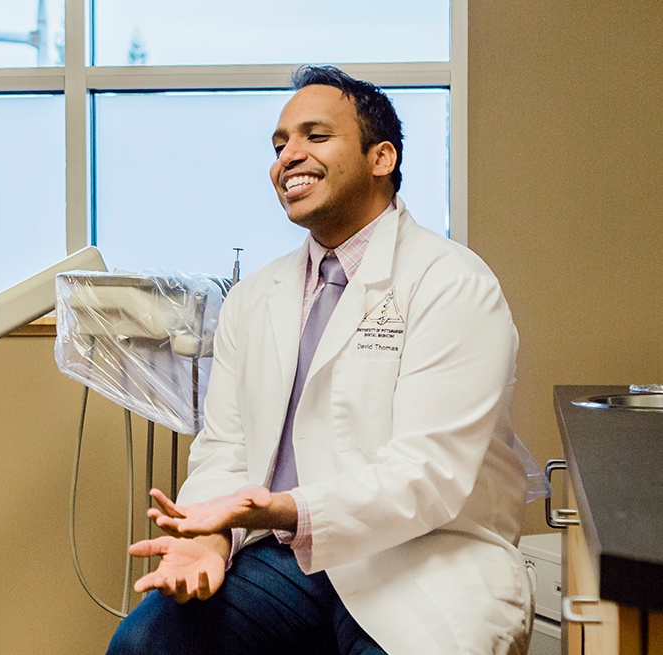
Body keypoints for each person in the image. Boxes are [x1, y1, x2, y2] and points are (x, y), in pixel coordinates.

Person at [106, 66, 531, 655]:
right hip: (284, 562)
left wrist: (281, 507)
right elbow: (226, 446)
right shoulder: (255, 297)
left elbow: (429, 474)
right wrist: (211, 537)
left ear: (381, 158)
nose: (288, 157)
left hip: (420, 556)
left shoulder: (451, 283)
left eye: (314, 136)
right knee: (146, 642)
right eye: (279, 145)